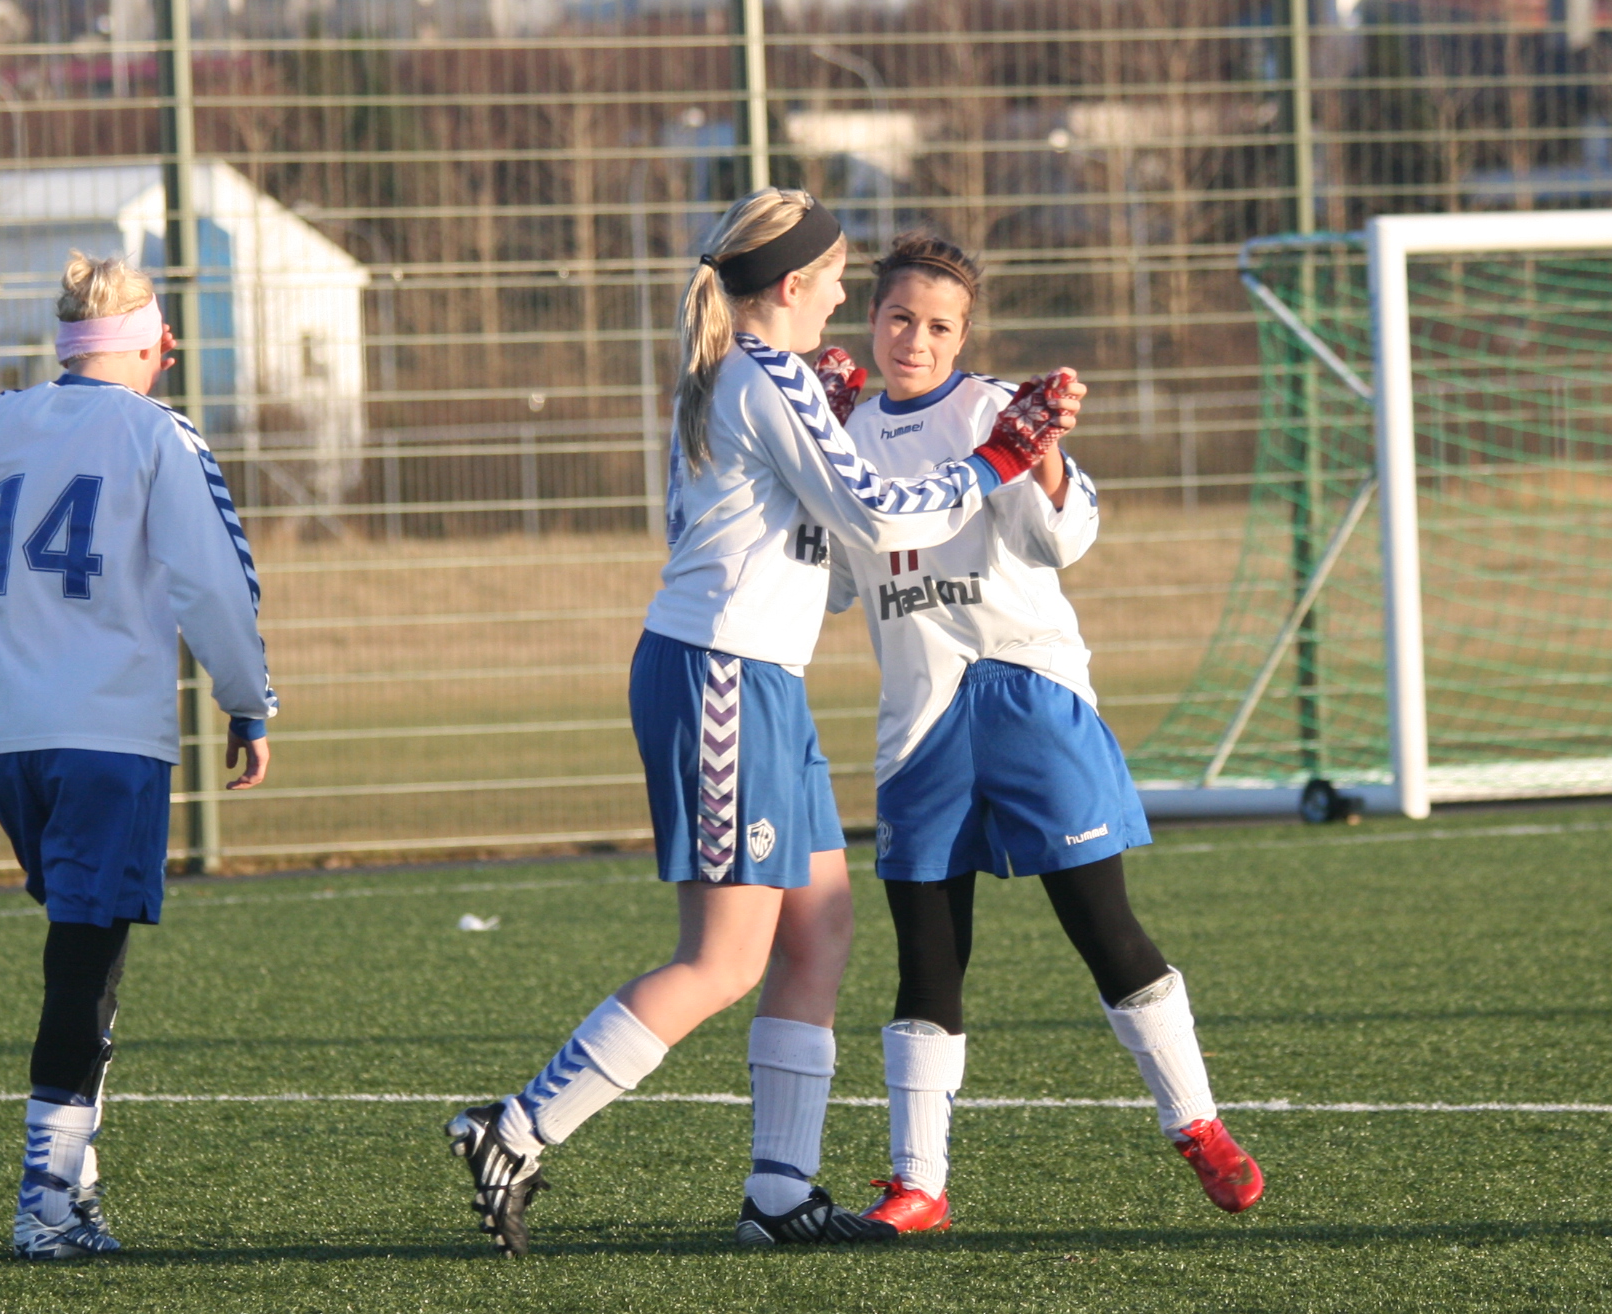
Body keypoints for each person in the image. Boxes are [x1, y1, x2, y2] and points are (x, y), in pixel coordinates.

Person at [445, 189, 1082, 1256]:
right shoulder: (764, 373)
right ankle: (513, 1128)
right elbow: (876, 515)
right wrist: (996, 460)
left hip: (756, 678)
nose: (841, 298)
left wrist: (841, 425)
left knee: (819, 925)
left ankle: (779, 1192)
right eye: (833, 279)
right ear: (791, 285)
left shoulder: (740, 372)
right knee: (723, 957)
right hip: (723, 675)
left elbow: (815, 541)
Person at [825, 231, 1262, 1234]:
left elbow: (1063, 538)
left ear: (963, 336)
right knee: (927, 952)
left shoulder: (994, 411)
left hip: (1030, 695)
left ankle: (1197, 1124)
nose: (914, 340)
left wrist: (1046, 449)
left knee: (1103, 926)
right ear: (871, 321)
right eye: (898, 318)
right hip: (919, 724)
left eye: (939, 326)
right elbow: (841, 581)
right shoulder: (843, 434)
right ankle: (917, 1183)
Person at [0, 251, 276, 1260]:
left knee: (78, 949)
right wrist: (248, 700)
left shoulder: (2, 422)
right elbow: (217, 583)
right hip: (104, 734)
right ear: (151, 344)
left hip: (6, 736)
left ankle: (75, 1190)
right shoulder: (159, 433)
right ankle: (45, 1204)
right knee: (85, 968)